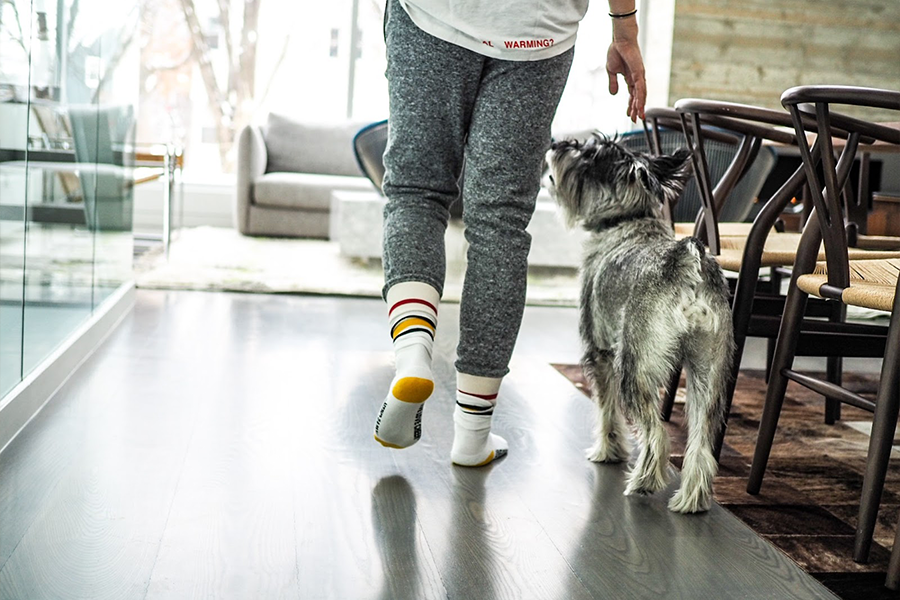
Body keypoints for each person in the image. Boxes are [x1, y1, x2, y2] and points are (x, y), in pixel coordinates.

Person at [373, 0, 648, 467]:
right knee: (500, 222)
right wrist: (624, 28)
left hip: (434, 14)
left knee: (417, 191)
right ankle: (472, 435)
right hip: (537, 30)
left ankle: (415, 353)